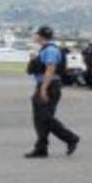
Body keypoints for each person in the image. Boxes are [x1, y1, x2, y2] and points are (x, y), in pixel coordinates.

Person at [23, 25, 79, 159]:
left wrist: (43, 88)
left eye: (37, 34)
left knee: (45, 117)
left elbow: (50, 69)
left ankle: (70, 138)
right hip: (44, 84)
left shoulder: (50, 50)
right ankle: (41, 148)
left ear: (41, 36)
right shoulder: (44, 49)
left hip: (49, 85)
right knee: (39, 119)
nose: (35, 36)